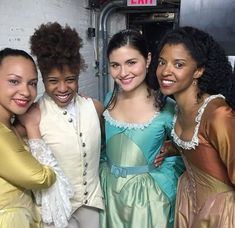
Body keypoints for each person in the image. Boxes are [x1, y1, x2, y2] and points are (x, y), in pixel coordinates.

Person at [99, 29, 185, 228]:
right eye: (115, 65)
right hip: (109, 193)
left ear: (147, 60)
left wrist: (162, 181)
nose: (123, 73)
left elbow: (186, 151)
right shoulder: (107, 99)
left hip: (148, 202)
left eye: (131, 62)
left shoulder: (167, 107)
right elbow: (102, 144)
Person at [25, 22, 104, 228]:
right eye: (53, 81)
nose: (62, 88)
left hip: (92, 205)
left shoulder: (94, 108)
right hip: (55, 212)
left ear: (78, 75)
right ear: (42, 78)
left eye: (70, 79)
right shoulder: (33, 115)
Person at [155, 26, 235, 227]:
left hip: (220, 212)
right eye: (162, 62)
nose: (165, 71)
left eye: (178, 64)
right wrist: (171, 147)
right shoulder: (178, 108)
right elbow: (200, 145)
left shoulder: (217, 115)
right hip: (189, 201)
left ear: (198, 70)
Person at [0, 47, 56, 227]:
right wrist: (32, 127)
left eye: (32, 83)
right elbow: (40, 177)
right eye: (14, 81)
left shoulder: (11, 125)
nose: (26, 91)